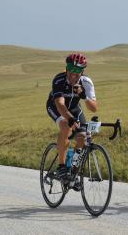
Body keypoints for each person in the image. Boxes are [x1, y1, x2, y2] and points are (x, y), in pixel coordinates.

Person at [46, 53, 97, 183]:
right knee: (66, 127)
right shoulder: (59, 80)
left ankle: (72, 170)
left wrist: (84, 96)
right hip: (56, 107)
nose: (73, 74)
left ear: (82, 71)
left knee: (82, 138)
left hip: (74, 108)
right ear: (67, 68)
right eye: (71, 70)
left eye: (77, 71)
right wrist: (70, 119)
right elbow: (60, 104)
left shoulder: (86, 82)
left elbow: (93, 108)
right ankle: (62, 167)